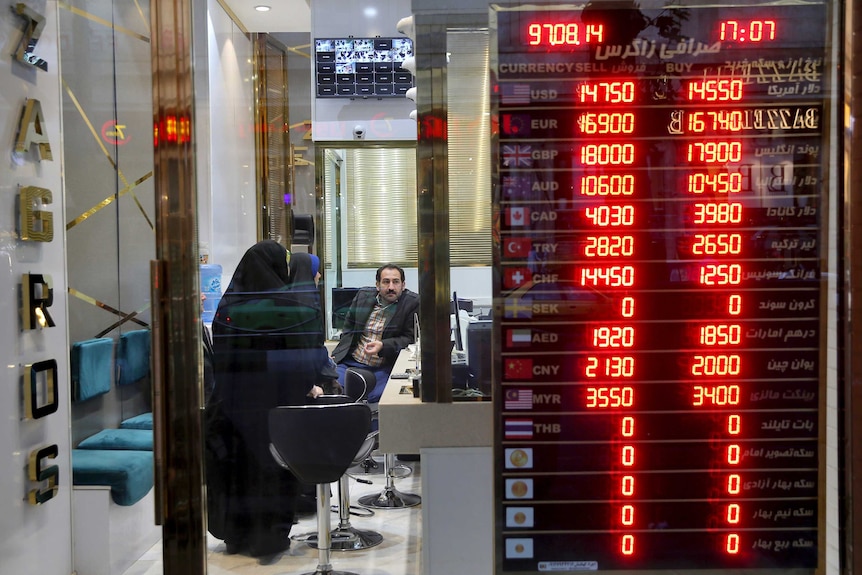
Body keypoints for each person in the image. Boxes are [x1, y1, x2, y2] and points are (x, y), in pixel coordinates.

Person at [204, 240, 328, 563]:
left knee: (238, 472)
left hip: (231, 406)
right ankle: (267, 540)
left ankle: (237, 536)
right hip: (274, 410)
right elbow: (299, 363)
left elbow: (221, 360)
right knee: (270, 472)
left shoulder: (229, 306)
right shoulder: (284, 308)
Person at [331, 263, 420, 403]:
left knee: (381, 399)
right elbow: (348, 328)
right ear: (377, 285)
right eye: (386, 282)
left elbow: (410, 338)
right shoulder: (363, 296)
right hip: (351, 363)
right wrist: (337, 353)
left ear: (403, 285)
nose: (391, 287)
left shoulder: (412, 303)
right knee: (335, 393)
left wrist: (383, 346)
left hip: (382, 368)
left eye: (395, 282)